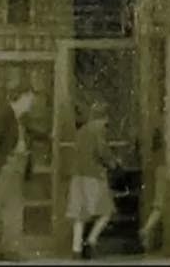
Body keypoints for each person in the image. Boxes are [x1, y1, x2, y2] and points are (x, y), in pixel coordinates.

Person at [0, 85, 43, 262]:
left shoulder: (20, 118)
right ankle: (12, 250)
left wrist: (48, 136)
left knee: (2, 208)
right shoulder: (5, 115)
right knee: (13, 209)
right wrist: (2, 162)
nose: (31, 103)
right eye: (29, 99)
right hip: (10, 166)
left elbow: (31, 133)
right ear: (21, 98)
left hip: (17, 165)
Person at [67, 102, 118, 260]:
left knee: (80, 214)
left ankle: (76, 250)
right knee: (106, 211)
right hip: (93, 176)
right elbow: (102, 151)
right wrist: (113, 163)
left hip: (77, 176)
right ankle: (91, 240)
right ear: (104, 118)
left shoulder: (81, 130)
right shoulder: (98, 130)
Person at [137, 129, 170, 253]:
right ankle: (146, 229)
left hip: (159, 172)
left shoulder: (156, 154)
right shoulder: (166, 152)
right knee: (160, 206)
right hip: (164, 173)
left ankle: (147, 230)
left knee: (159, 206)